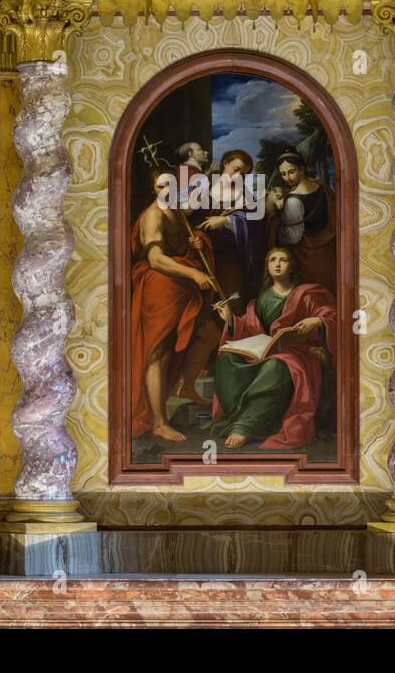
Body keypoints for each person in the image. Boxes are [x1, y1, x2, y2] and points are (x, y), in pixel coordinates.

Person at [209, 246, 336, 450]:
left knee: (276, 366)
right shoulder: (262, 299)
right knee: (226, 358)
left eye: (283, 260)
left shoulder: (306, 294)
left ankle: (245, 425)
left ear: (292, 265)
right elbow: (251, 328)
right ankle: (237, 415)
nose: (277, 264)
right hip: (265, 350)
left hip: (298, 353)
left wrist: (317, 320)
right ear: (267, 267)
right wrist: (230, 319)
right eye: (272, 260)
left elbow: (333, 315)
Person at [130, 168, 220, 442]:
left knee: (208, 336)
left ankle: (188, 386)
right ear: (154, 189)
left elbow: (181, 247)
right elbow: (156, 259)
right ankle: (158, 422)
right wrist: (194, 272)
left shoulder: (177, 213)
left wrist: (196, 244)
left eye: (172, 185)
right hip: (160, 288)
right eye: (161, 185)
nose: (167, 190)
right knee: (159, 352)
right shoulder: (153, 215)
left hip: (179, 288)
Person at [197, 149, 265, 315]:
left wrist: (227, 220)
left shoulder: (245, 196)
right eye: (236, 169)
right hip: (202, 254)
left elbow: (254, 226)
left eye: (243, 174)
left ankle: (232, 334)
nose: (238, 176)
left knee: (231, 297)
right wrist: (196, 238)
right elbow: (192, 221)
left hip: (229, 256)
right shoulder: (205, 186)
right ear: (225, 163)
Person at [269, 150, 337, 294]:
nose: (287, 178)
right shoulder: (321, 186)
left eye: (291, 171)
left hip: (306, 257)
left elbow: (292, 237)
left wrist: (275, 225)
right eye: (283, 174)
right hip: (327, 251)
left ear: (302, 169)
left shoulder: (293, 201)